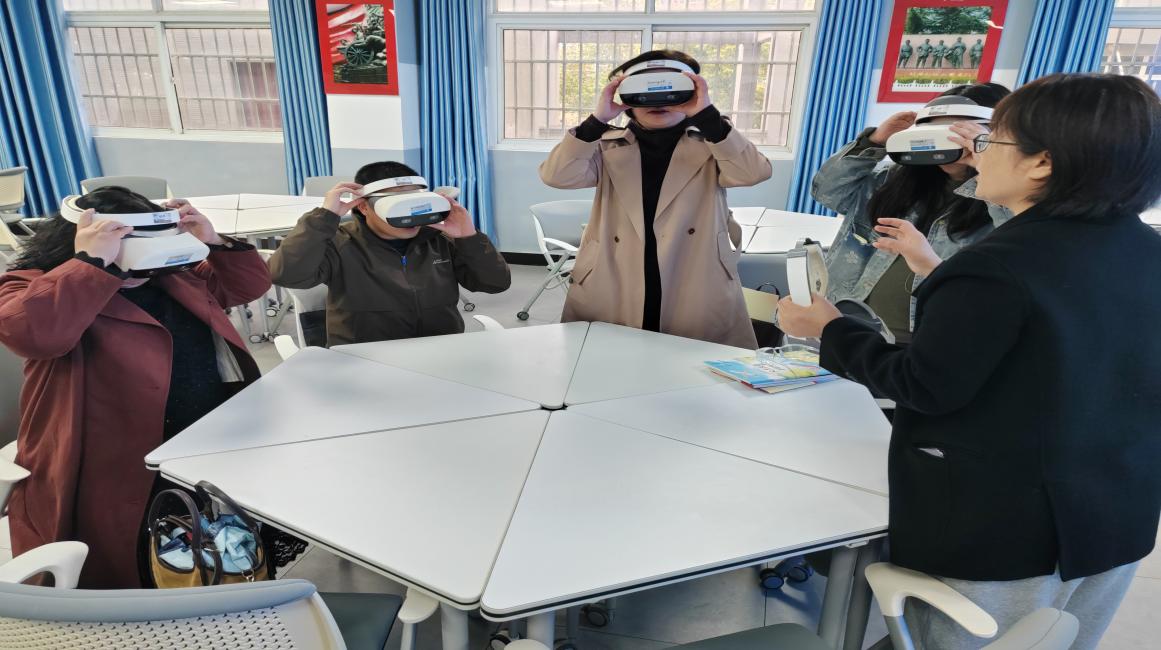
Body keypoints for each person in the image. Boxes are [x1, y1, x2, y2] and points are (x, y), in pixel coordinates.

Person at [779, 73, 1161, 649]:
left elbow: (925, 384)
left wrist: (829, 328)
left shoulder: (996, 265)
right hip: (1115, 517)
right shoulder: (1144, 249)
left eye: (991, 140)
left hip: (1007, 530)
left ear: (1042, 163)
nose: (976, 155)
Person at [0, 187, 271, 588]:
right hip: (108, 458)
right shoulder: (34, 284)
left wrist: (212, 241)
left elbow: (247, 286)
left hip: (198, 440)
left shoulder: (172, 278)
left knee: (199, 546)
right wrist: (90, 264)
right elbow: (32, 333)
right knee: (123, 556)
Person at [539, 49, 772, 348]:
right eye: (644, 90)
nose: (658, 100)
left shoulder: (714, 142)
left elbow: (753, 172)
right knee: (608, 360)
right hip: (613, 273)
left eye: (671, 89)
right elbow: (557, 176)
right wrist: (597, 120)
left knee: (691, 363)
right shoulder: (606, 145)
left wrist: (708, 117)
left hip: (694, 274)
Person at [810, 83, 1011, 344]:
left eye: (959, 131)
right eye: (937, 131)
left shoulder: (1006, 198)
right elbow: (827, 191)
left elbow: (1021, 244)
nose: (948, 142)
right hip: (848, 330)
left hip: (931, 343)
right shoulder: (890, 182)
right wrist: (874, 142)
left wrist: (991, 165)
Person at [267, 161, 511, 346]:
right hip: (365, 356)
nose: (410, 215)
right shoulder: (338, 243)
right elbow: (286, 275)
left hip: (439, 349)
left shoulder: (439, 240)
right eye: (397, 204)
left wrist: (469, 238)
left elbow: (495, 284)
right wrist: (324, 218)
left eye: (414, 202)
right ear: (364, 206)